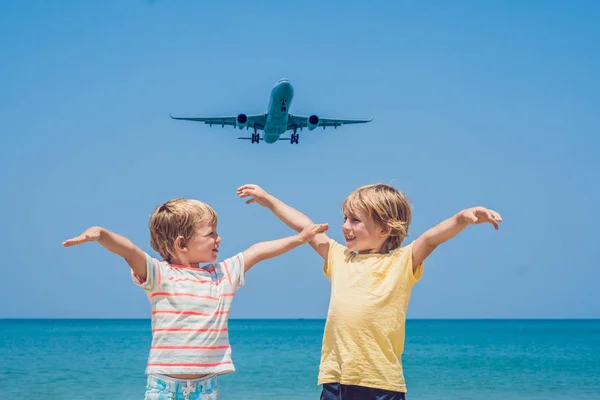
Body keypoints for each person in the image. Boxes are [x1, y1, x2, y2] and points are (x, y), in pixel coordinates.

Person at [236, 183, 502, 400]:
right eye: (345, 218)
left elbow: (431, 238)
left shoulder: (402, 262)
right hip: (336, 380)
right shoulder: (339, 258)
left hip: (381, 382)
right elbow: (305, 227)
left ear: (385, 229)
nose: (345, 226)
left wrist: (462, 218)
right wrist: (268, 200)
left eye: (355, 220)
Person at [62, 197, 328, 400]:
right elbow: (130, 251)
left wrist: (301, 238)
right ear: (182, 244)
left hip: (206, 387)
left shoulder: (222, 274)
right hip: (163, 386)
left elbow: (257, 251)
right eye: (211, 234)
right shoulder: (160, 275)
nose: (218, 238)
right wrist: (101, 234)